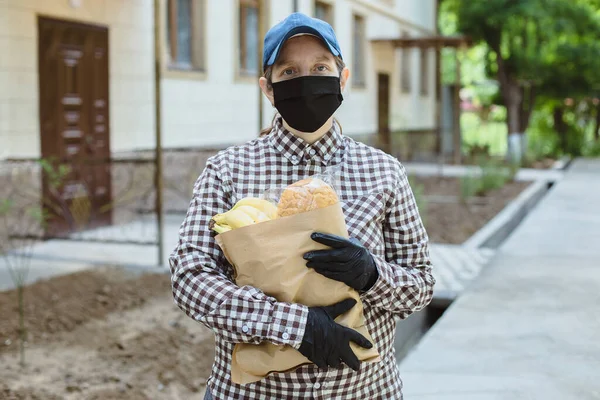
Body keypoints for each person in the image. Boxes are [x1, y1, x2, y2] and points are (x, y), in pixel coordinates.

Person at [169, 12, 435, 400]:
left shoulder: (384, 172)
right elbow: (189, 278)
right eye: (290, 72)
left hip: (363, 391)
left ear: (342, 78)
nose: (306, 80)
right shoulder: (227, 171)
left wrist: (371, 274)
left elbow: (422, 284)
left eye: (320, 67)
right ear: (268, 88)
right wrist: (296, 326)